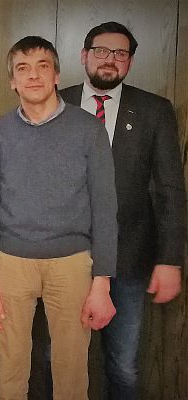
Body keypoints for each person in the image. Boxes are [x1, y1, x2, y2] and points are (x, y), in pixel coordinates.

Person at [0, 36, 118, 400]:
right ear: (13, 81)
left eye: (42, 67)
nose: (33, 76)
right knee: (9, 371)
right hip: (11, 262)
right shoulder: (0, 132)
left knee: (72, 373)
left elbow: (105, 208)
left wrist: (102, 282)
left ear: (56, 75)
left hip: (71, 263)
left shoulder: (88, 129)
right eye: (23, 69)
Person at [60, 22, 185, 400]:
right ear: (84, 55)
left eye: (120, 53)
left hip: (128, 260)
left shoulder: (154, 111)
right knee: (56, 359)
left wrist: (170, 260)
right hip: (61, 258)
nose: (109, 59)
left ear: (129, 61)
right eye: (101, 51)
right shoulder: (55, 103)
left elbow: (169, 190)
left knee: (124, 365)